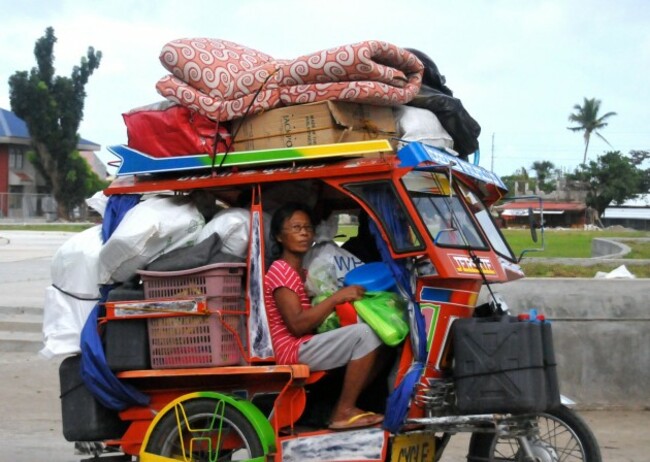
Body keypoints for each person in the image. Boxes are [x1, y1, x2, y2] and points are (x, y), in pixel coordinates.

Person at [264, 202, 385, 430]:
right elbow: (297, 325)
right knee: (366, 335)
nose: (303, 233)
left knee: (384, 341)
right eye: (296, 228)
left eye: (308, 228)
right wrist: (337, 298)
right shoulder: (281, 270)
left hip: (305, 343)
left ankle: (345, 406)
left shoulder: (304, 271)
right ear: (279, 237)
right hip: (291, 349)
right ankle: (343, 410)